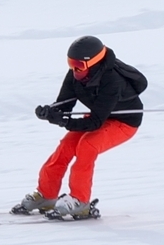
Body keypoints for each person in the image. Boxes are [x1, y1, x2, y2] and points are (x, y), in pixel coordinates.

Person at [13, 35, 147, 219]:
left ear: (94, 62)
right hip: (99, 116)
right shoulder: (75, 75)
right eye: (71, 63)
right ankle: (46, 195)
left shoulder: (112, 80)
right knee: (66, 146)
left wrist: (65, 122)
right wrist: (50, 112)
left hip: (123, 123)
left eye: (79, 65)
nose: (74, 69)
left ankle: (80, 201)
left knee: (87, 146)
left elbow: (95, 123)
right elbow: (65, 104)